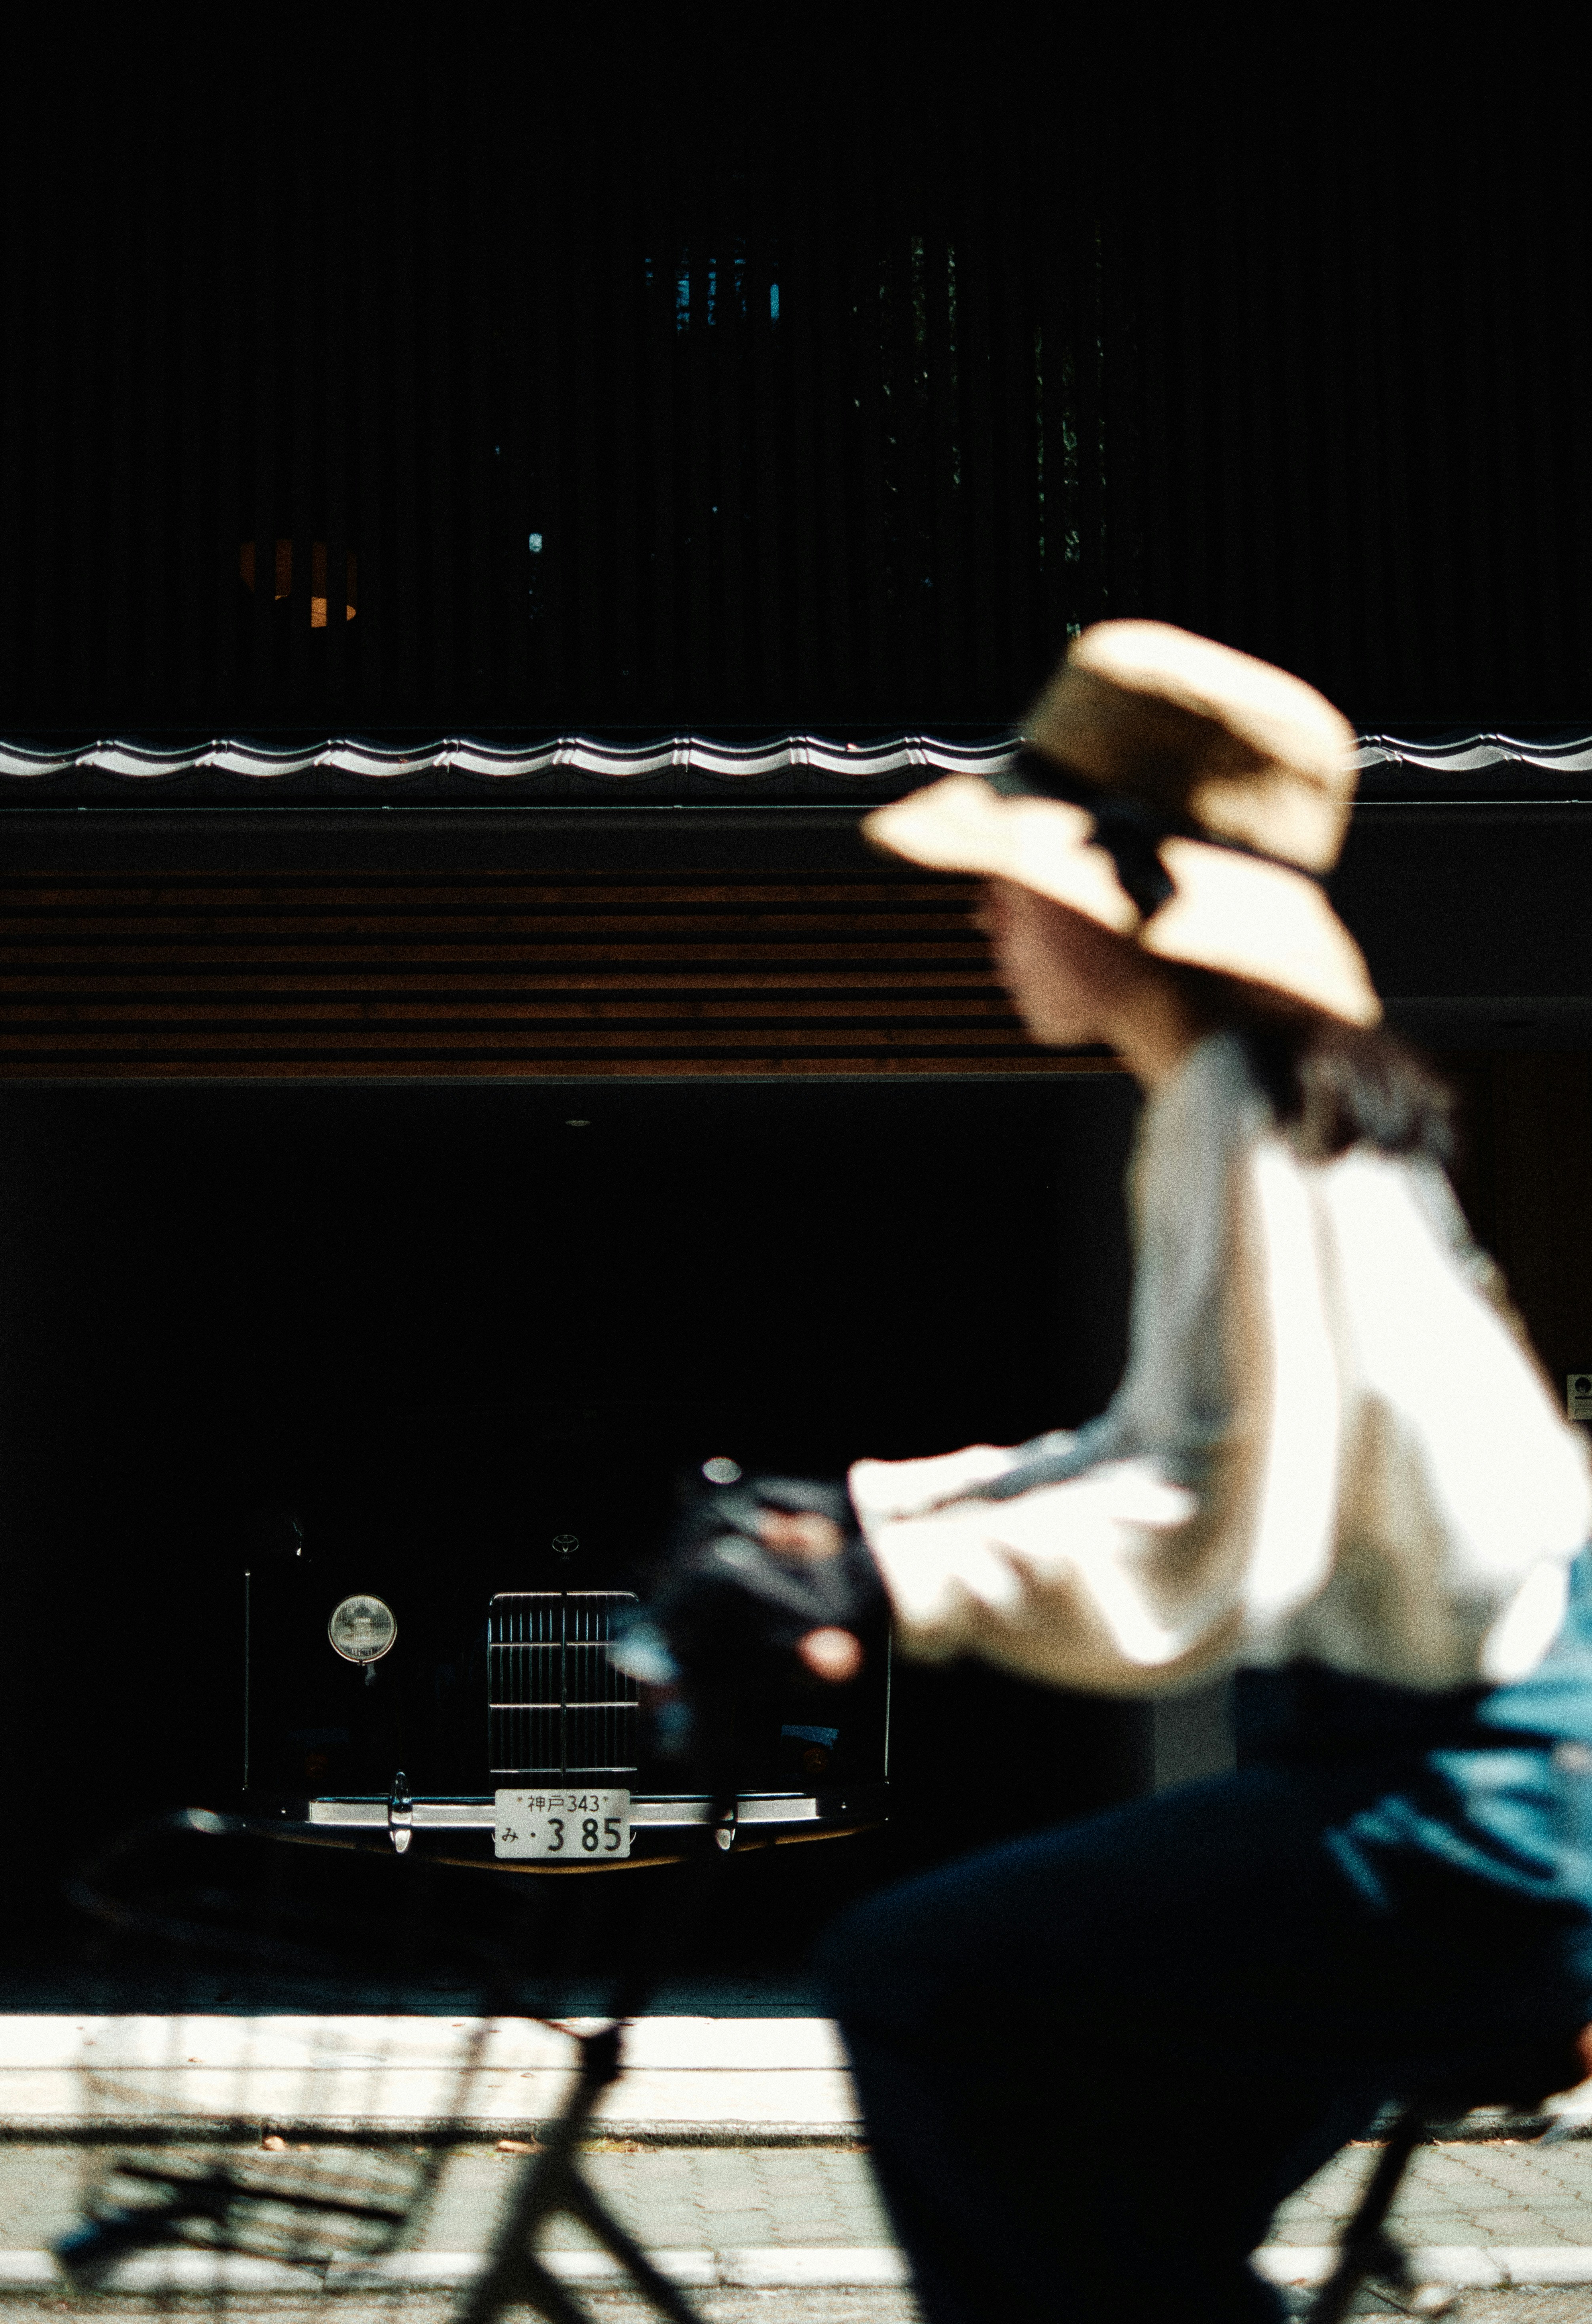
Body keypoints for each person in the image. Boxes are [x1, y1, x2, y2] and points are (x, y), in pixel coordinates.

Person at [628, 620, 1592, 2323]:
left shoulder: (1246, 1115)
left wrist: (886, 1577)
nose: (985, 911)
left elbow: (1215, 1511)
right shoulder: (1254, 1097)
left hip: (1471, 1800)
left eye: (1014, 873)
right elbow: (1149, 1449)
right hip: (1467, 1772)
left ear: (1126, 893)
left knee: (913, 1973)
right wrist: (865, 1516)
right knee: (1111, 2212)